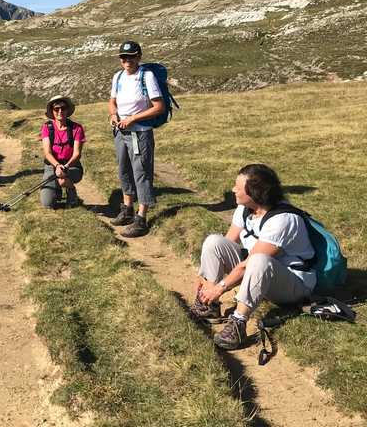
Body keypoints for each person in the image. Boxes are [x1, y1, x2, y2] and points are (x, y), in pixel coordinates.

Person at [190, 164, 316, 350]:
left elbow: (248, 264)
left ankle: (238, 322)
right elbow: (226, 244)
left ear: (256, 193)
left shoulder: (283, 220)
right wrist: (207, 281)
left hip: (294, 285)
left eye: (238, 187)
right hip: (261, 272)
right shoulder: (245, 208)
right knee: (214, 242)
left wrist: (220, 288)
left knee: (258, 260)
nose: (233, 189)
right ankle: (209, 305)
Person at [108, 41, 165, 237]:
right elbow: (112, 101)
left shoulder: (146, 76)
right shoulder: (118, 76)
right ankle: (127, 209)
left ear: (139, 57)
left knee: (141, 172)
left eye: (131, 56)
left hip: (140, 132)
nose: (127, 60)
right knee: (124, 169)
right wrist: (113, 115)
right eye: (123, 57)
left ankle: (141, 218)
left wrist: (133, 119)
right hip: (120, 131)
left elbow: (159, 107)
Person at [40, 95, 86, 209]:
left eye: (63, 108)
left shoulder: (77, 128)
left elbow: (77, 154)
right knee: (47, 203)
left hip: (71, 166)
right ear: (52, 111)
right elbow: (47, 153)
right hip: (52, 166)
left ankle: (71, 190)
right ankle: (57, 190)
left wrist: (65, 167)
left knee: (62, 180)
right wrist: (57, 166)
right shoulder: (47, 127)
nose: (60, 111)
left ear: (67, 110)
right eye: (56, 109)